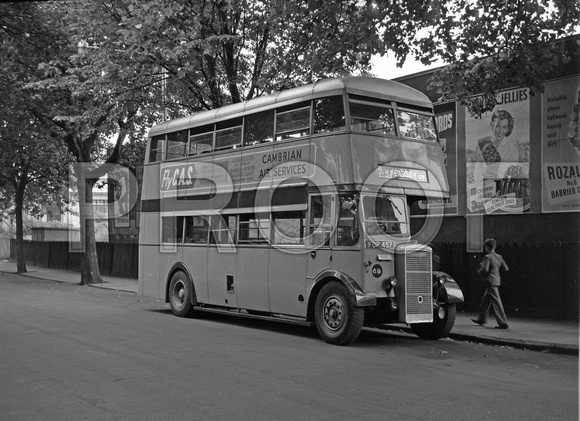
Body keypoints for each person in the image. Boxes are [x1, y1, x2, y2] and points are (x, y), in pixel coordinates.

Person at [471, 238, 509, 329]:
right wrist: (496, 274)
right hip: (496, 281)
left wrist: (479, 271)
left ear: (487, 247)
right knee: (485, 301)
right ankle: (481, 319)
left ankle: (503, 323)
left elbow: (485, 269)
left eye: (485, 246)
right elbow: (505, 268)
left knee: (497, 302)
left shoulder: (487, 257)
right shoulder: (499, 257)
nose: (485, 248)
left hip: (490, 282)